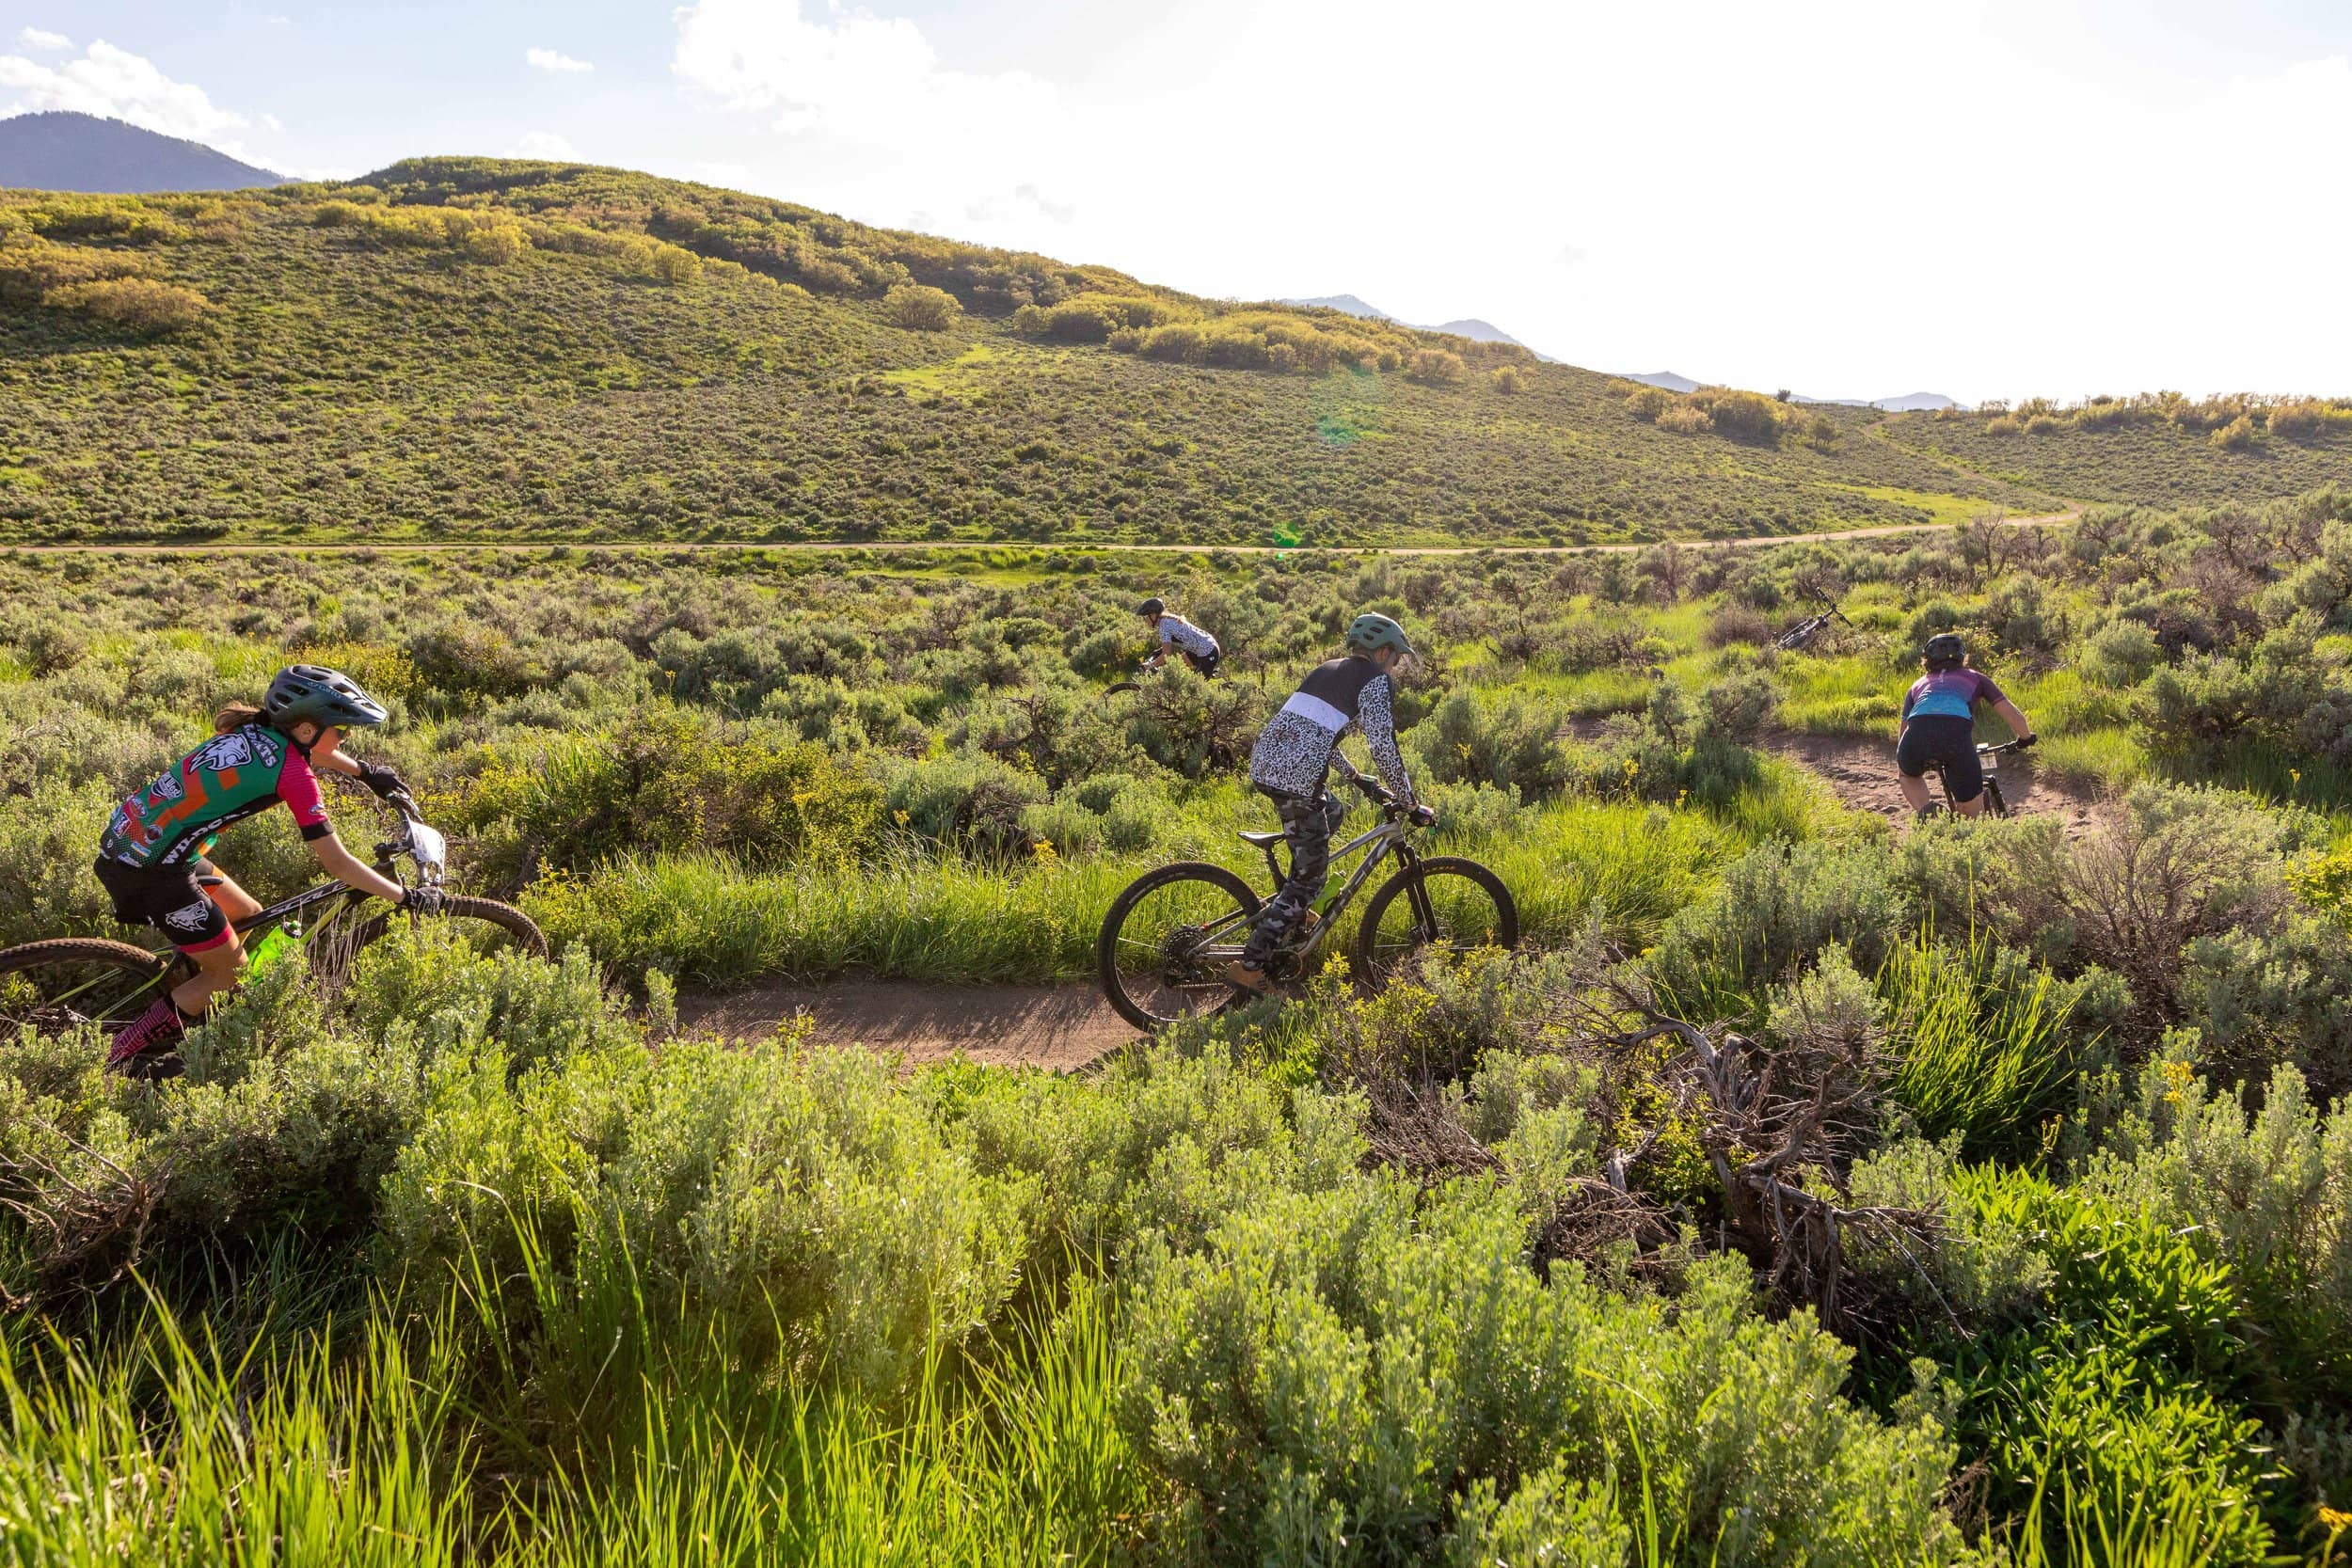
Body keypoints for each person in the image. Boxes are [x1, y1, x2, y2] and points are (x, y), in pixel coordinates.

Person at [94, 663, 442, 1069]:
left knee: (252, 918)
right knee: (231, 977)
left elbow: (319, 751)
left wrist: (367, 772)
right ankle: (118, 1055)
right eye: (342, 730)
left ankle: (205, 990)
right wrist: (404, 896)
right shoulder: (293, 773)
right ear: (308, 728)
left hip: (139, 845)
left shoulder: (256, 730)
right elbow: (337, 863)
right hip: (153, 872)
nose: (345, 738)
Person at [1229, 612, 1432, 994]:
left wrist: (1356, 777)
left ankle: (1296, 896)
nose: (1397, 666)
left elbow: (1317, 735)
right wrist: (1409, 801)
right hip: (1295, 779)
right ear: (1382, 651)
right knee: (1309, 882)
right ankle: (1253, 965)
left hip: (1267, 764)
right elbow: (1383, 746)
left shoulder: (1327, 669)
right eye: (1397, 658)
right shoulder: (1375, 681)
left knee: (1333, 810)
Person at [1898, 633, 2035, 817]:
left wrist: (1905, 756)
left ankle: (1927, 811)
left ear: (1926, 661)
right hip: (1955, 738)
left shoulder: (1918, 685)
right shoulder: (1976, 678)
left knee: (1908, 775)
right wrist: (2025, 738)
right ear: (1962, 656)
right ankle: (1967, 825)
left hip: (1915, 737)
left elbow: (1904, 727)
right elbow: (2010, 712)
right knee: (1970, 815)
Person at [1137, 596, 1221, 677]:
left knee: (1193, 689)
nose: (1144, 620)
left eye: (1145, 617)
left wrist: (1149, 666)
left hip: (1208, 651)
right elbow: (1167, 647)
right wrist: (1156, 655)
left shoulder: (1164, 626)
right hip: (1203, 647)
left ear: (1153, 615)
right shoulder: (1167, 620)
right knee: (1175, 668)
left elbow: (1167, 654)